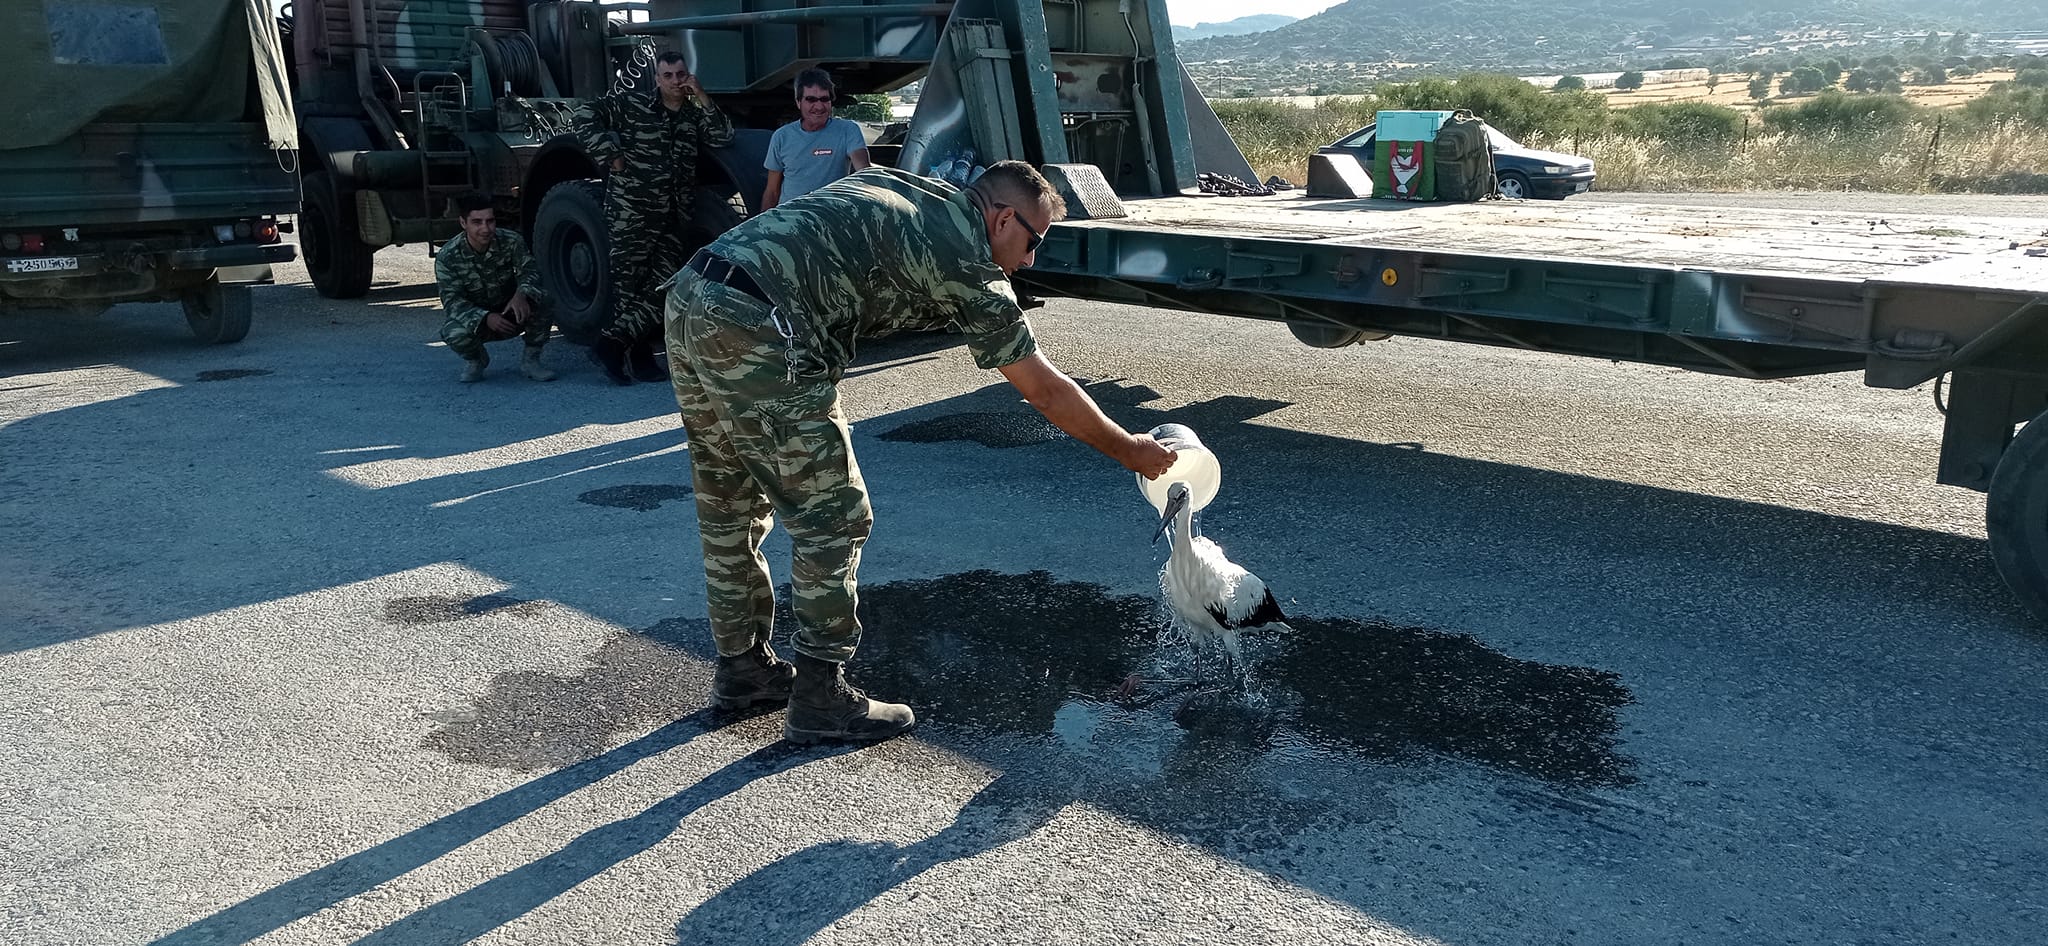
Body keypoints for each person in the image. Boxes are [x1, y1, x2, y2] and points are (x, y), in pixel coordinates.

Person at [663, 160, 1178, 744]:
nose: (1030, 260)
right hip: (762, 322)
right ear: (1003, 217)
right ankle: (819, 698)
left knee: (729, 500)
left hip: (693, 293)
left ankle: (743, 672)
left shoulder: (914, 189)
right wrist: (1129, 449)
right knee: (833, 515)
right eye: (1032, 242)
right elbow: (1045, 390)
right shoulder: (967, 262)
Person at [573, 50, 734, 386]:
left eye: (680, 74)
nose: (676, 81)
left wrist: (702, 95)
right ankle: (637, 356)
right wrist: (609, 154)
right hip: (632, 211)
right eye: (669, 76)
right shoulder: (632, 105)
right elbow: (583, 115)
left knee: (664, 284)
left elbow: (721, 135)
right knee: (628, 286)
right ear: (657, 79)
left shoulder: (692, 114)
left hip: (675, 214)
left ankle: (612, 343)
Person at [435, 192, 555, 383]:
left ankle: (531, 360)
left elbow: (530, 270)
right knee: (452, 331)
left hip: (513, 312)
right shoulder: (448, 257)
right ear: (463, 223)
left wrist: (521, 293)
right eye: (477, 222)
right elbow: (453, 303)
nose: (485, 229)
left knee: (544, 297)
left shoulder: (511, 241)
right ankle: (477, 360)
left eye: (490, 221)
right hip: (480, 320)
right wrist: (486, 317)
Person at [760, 68, 870, 210]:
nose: (819, 106)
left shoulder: (848, 130)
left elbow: (863, 170)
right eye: (811, 99)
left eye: (825, 99)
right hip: (791, 218)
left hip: (830, 215)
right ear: (798, 102)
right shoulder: (781, 137)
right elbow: (772, 191)